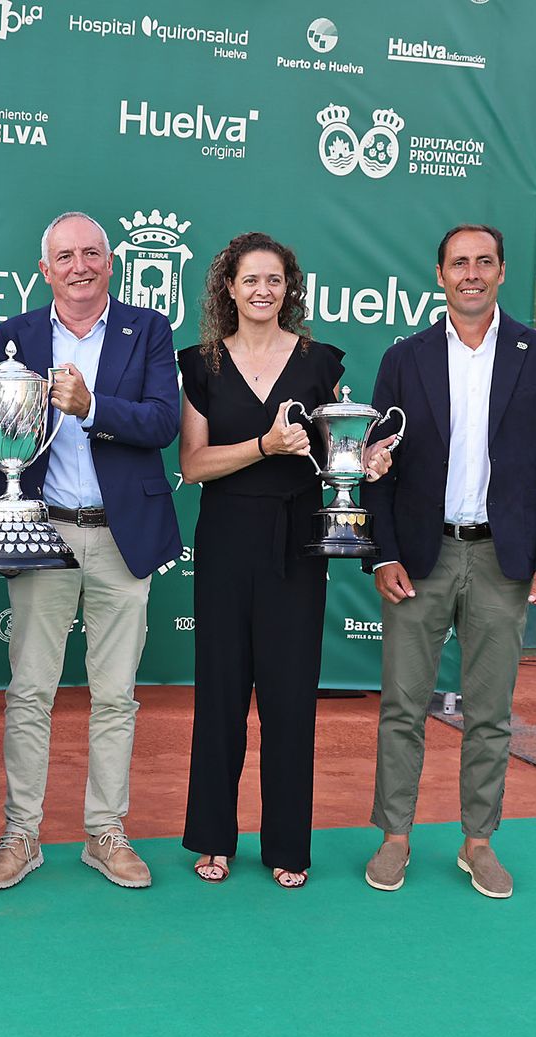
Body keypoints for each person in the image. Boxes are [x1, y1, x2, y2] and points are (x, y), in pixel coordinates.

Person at [362, 224, 536, 900]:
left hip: (502, 558)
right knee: (401, 704)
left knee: (490, 710)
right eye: (460, 263)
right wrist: (384, 553)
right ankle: (395, 835)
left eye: (485, 262)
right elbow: (375, 463)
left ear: (503, 272)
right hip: (420, 557)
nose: (472, 273)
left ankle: (478, 840)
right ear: (440, 274)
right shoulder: (405, 357)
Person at [177, 232, 393, 889]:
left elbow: (334, 456)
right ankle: (213, 838)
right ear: (229, 289)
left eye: (275, 279)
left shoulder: (320, 361)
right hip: (225, 539)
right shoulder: (201, 364)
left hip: (300, 542)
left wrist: (367, 463)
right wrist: (263, 445)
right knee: (219, 694)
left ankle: (288, 846)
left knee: (291, 697)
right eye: (250, 279)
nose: (263, 289)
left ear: (288, 287)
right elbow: (193, 464)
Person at [0, 211, 182, 891]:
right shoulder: (19, 335)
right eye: (65, 256)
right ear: (46, 270)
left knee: (116, 694)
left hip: (124, 536)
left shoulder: (148, 328)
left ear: (110, 262)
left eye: (91, 253)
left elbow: (162, 423)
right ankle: (22, 833)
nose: (80, 266)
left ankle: (105, 831)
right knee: (31, 689)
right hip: (44, 530)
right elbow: (1, 435)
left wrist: (92, 406)